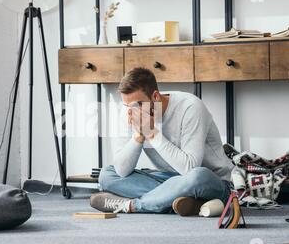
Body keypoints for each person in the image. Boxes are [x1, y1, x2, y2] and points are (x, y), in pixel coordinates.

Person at [90, 67, 235, 216]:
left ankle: (133, 205)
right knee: (107, 174)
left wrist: (152, 133)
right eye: (127, 106)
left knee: (197, 176)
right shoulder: (129, 111)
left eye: (138, 105)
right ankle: (180, 200)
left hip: (211, 181)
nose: (132, 112)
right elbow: (121, 170)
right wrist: (138, 136)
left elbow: (189, 168)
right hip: (168, 179)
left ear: (155, 97)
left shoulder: (190, 107)